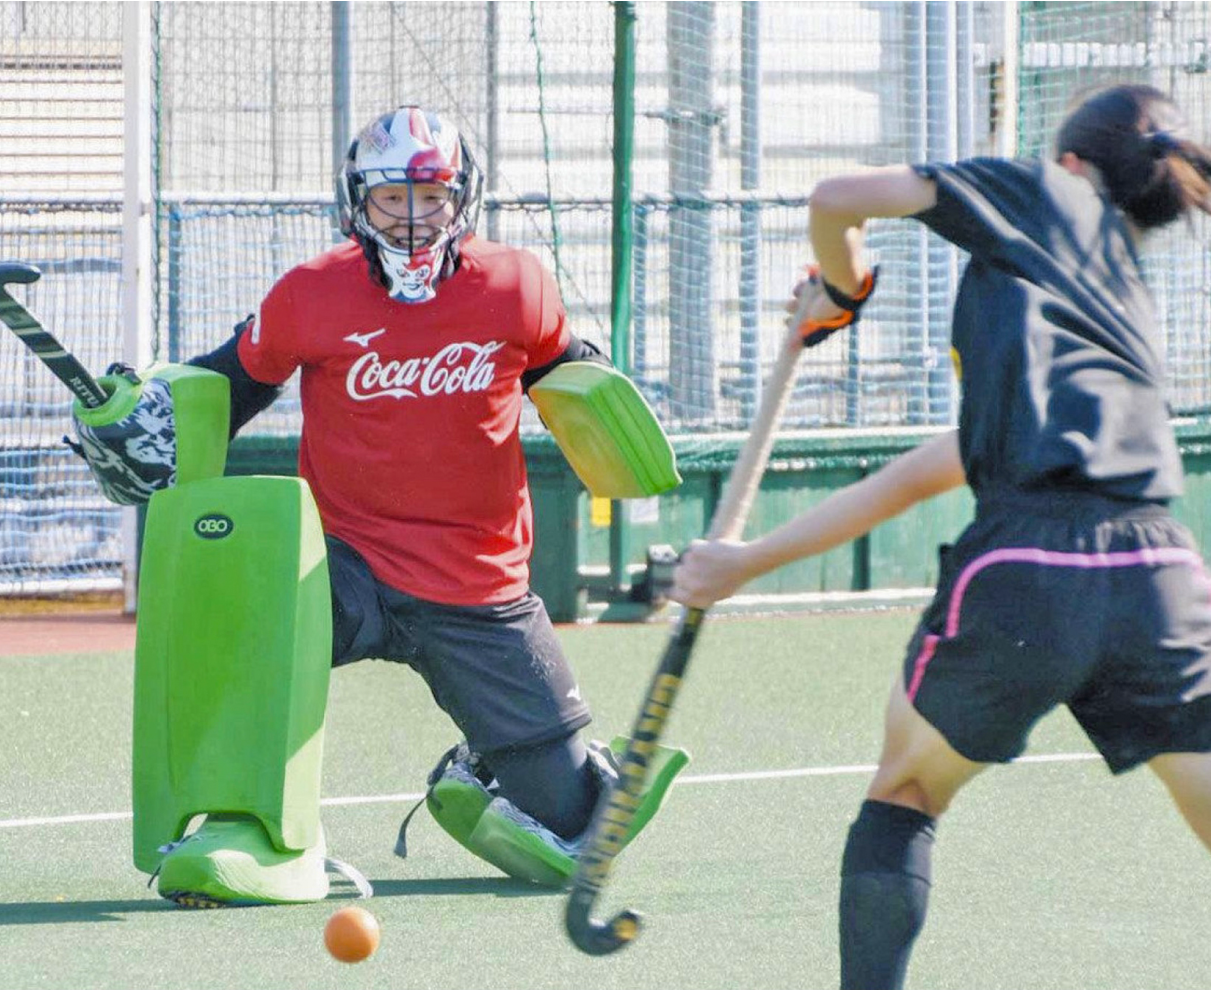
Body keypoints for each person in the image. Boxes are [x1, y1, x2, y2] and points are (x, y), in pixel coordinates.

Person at [670, 83, 1211, 989]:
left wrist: (843, 292)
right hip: (1164, 570)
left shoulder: (1047, 193)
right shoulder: (1112, 299)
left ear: (1072, 161)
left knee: (907, 793)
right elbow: (926, 468)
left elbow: (835, 199)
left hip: (1030, 566)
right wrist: (744, 562)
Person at [75, 105, 686, 906]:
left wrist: (612, 409)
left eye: (430, 195)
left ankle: (483, 771)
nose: (410, 216)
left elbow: (568, 373)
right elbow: (231, 381)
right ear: (356, 201)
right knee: (246, 630)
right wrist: (144, 410)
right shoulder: (309, 292)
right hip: (344, 563)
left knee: (577, 823)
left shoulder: (517, 286)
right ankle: (247, 829)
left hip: (477, 582)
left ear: (461, 198)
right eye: (389, 197)